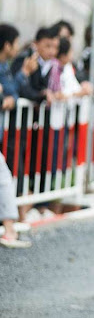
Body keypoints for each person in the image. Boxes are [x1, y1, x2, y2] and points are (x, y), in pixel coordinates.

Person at [0, 24, 32, 248]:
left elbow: (11, 92)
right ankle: (9, 230)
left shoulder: (5, 67)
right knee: (3, 179)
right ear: (7, 44)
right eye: (16, 42)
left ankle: (10, 228)